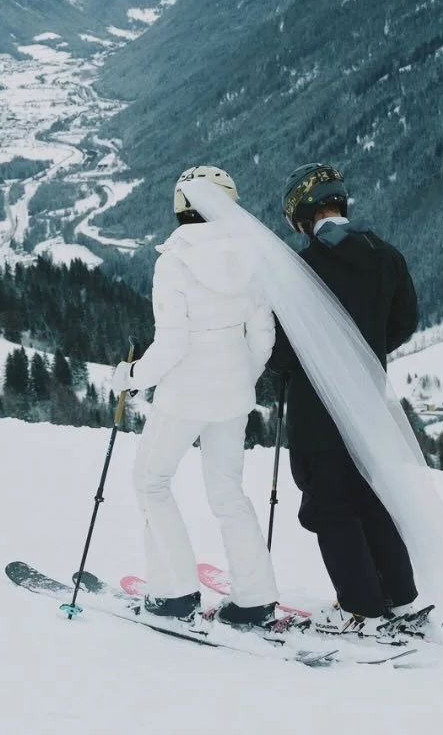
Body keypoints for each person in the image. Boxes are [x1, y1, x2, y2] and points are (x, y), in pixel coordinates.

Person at [111, 165, 279, 627]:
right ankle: (255, 598)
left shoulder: (175, 261)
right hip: (233, 396)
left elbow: (173, 343)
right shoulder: (251, 259)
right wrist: (242, 375)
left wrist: (131, 377)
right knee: (228, 494)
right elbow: (263, 334)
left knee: (151, 480)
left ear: (181, 205)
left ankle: (175, 592)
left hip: (184, 395)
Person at [268, 162, 420, 626]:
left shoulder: (300, 270)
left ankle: (361, 604)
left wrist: (302, 366)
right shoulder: (386, 255)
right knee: (368, 494)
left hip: (317, 410)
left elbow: (281, 348)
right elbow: (404, 323)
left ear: (301, 214)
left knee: (329, 502)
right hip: (368, 399)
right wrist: (364, 353)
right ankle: (398, 593)